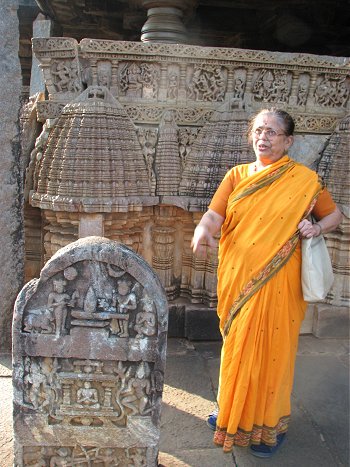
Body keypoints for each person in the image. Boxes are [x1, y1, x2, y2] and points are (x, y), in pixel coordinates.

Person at [191, 108, 342, 458]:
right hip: (239, 279)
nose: (264, 137)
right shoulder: (237, 175)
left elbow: (334, 214)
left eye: (273, 132)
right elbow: (215, 214)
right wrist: (203, 231)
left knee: (274, 352)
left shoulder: (304, 180)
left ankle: (268, 427)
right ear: (251, 136)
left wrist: (316, 227)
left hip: (280, 281)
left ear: (288, 141)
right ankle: (230, 411)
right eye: (259, 130)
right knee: (237, 347)